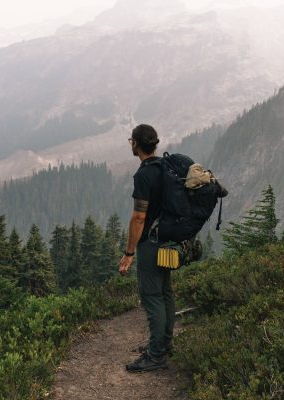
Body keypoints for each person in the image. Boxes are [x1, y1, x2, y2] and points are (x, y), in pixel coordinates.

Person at [119, 124, 175, 373]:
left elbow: (139, 218)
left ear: (135, 144)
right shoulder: (166, 166)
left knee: (152, 296)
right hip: (170, 239)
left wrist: (129, 253)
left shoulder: (144, 175)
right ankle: (164, 344)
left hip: (151, 244)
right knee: (165, 293)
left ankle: (155, 356)